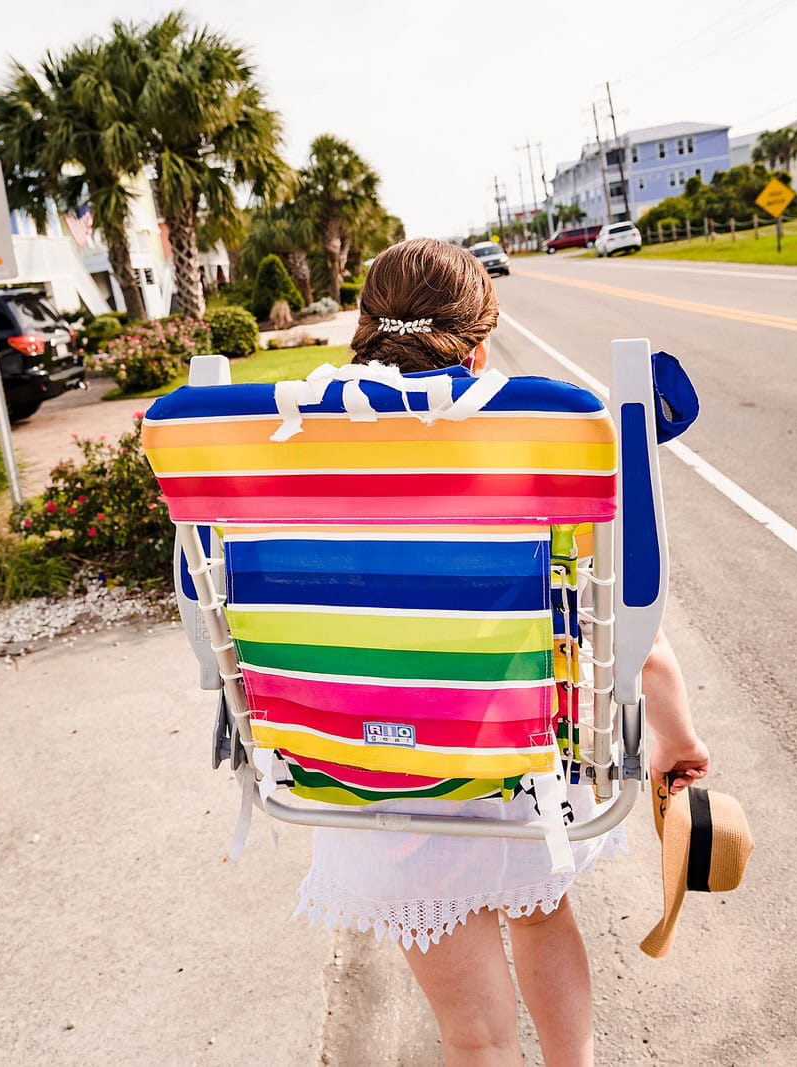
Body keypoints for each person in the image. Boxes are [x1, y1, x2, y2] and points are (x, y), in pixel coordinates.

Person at [296, 237, 710, 1066]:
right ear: (478, 347)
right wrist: (677, 741)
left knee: (474, 1035)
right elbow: (624, 625)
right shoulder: (535, 439)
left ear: (362, 333)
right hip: (512, 755)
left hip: (377, 774)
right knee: (539, 914)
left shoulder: (288, 441)